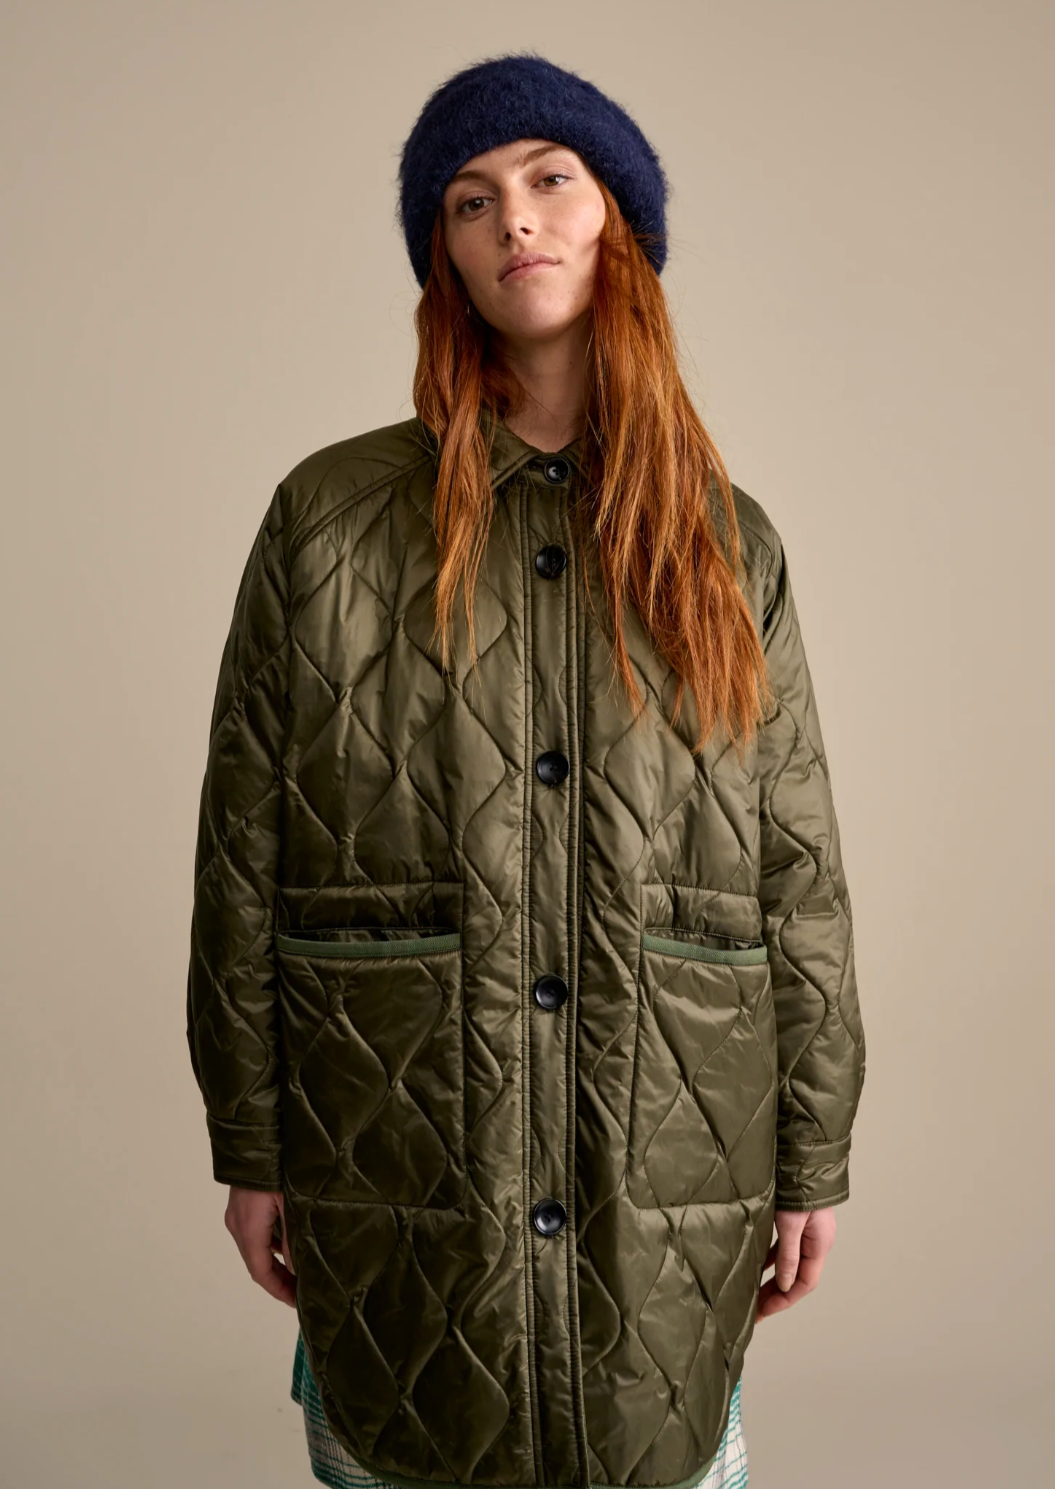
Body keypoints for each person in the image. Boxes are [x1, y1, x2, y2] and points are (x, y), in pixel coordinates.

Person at [186, 51, 866, 1489]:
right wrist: (251, 1140)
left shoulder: (724, 540)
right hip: (399, 1133)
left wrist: (813, 1152)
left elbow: (795, 870)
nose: (515, 220)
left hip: (671, 1134)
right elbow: (243, 854)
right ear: (443, 253)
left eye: (552, 179)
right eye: (470, 199)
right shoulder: (328, 519)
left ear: (617, 218)